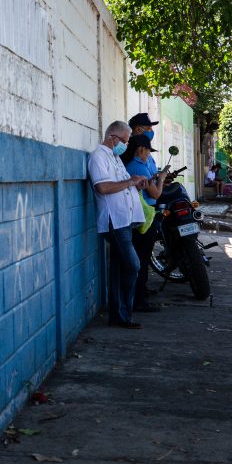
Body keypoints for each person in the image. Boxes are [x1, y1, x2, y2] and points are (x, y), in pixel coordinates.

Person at [88, 121, 148, 329]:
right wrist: (130, 182)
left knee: (119, 267)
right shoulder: (98, 157)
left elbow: (122, 184)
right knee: (133, 265)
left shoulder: (115, 158)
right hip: (114, 221)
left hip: (126, 220)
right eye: (124, 140)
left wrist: (135, 184)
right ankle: (124, 314)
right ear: (113, 137)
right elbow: (103, 187)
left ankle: (118, 315)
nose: (126, 144)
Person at [123, 134, 166, 312]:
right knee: (141, 258)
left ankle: (139, 296)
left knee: (140, 258)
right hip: (144, 218)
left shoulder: (133, 165)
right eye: (148, 151)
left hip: (138, 217)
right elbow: (155, 194)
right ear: (141, 149)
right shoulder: (138, 166)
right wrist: (161, 178)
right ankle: (138, 299)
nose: (148, 155)